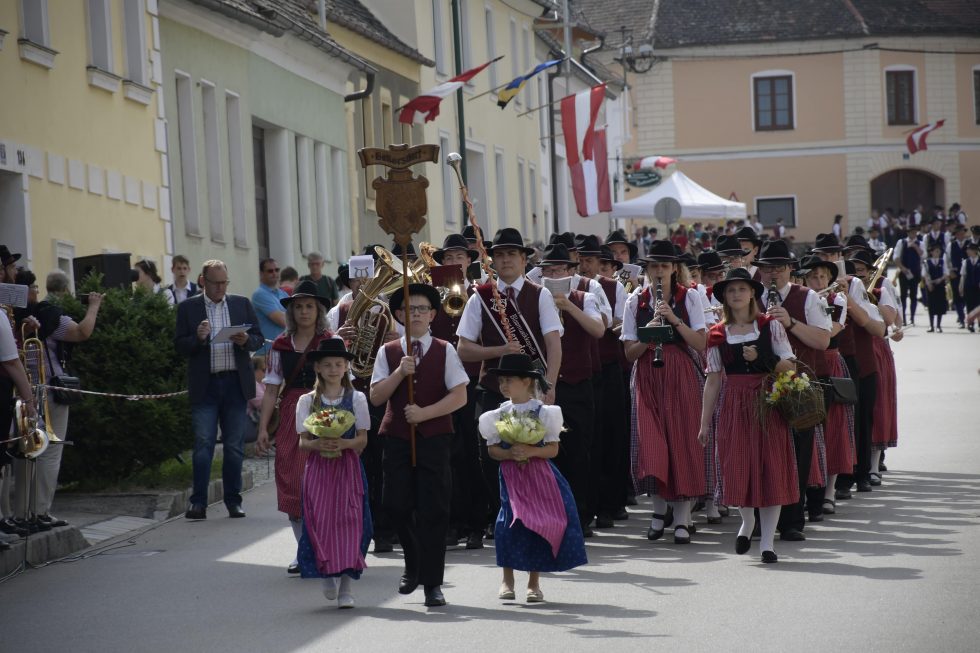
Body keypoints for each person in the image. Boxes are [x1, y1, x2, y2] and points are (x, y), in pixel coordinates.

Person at [456, 228, 563, 537]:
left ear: (523, 259)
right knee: (487, 452)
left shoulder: (539, 293)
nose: (505, 260)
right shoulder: (482, 296)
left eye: (511, 254)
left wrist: (550, 385)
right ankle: (499, 511)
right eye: (499, 255)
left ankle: (531, 513)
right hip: (492, 388)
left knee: (531, 452)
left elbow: (553, 344)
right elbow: (464, 347)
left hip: (531, 391)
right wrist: (500, 350)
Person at [370, 283, 468, 608]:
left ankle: (432, 584)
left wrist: (425, 413)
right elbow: (376, 396)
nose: (415, 314)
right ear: (398, 314)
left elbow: (460, 395)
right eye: (409, 309)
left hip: (435, 439)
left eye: (422, 309)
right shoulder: (388, 352)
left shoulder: (445, 349)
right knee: (395, 505)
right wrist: (400, 372)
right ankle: (413, 562)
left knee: (434, 510)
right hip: (397, 438)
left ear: (433, 315)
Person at [698, 268, 797, 563]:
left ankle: (767, 543)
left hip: (767, 401)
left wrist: (764, 359)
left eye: (742, 289)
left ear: (752, 293)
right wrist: (704, 422)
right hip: (734, 405)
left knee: (770, 470)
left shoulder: (770, 326)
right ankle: (747, 521)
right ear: (725, 297)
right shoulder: (717, 333)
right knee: (737, 465)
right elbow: (713, 379)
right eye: (731, 290)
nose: (737, 294)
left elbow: (791, 367)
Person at [478, 353, 587, 603]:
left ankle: (533, 583)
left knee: (537, 523)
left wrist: (531, 451)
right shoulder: (498, 414)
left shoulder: (544, 412)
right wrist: (507, 453)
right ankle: (507, 579)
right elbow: (492, 450)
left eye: (509, 380)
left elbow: (553, 449)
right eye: (501, 381)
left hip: (539, 476)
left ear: (527, 381)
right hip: (512, 477)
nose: (503, 386)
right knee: (508, 524)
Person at [621, 240, 707, 545]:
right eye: (654, 266)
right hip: (647, 374)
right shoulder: (635, 301)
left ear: (674, 269)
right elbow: (630, 353)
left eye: (665, 266)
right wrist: (650, 333)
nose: (659, 272)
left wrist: (673, 319)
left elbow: (699, 343)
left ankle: (683, 517)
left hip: (681, 372)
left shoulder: (690, 297)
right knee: (653, 445)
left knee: (682, 442)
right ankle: (659, 512)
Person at [8, 270, 102, 530]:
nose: (37, 291)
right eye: (33, 287)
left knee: (22, 454)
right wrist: (94, 306)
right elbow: (83, 332)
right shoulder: (47, 314)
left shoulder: (8, 317)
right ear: (26, 291)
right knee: (50, 452)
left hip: (16, 392)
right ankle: (40, 512)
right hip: (47, 390)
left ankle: (20, 513)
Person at [255, 279, 334, 573]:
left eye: (309, 306)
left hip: (324, 410)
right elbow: (272, 389)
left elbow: (341, 381)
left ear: (318, 310)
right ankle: (303, 549)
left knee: (321, 483)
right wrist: (264, 428)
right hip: (291, 414)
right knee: (292, 480)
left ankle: (321, 547)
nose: (303, 312)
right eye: (298, 307)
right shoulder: (280, 345)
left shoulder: (329, 341)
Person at [174, 260, 264, 519]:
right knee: (204, 443)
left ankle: (233, 500)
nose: (221, 288)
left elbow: (257, 338)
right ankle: (198, 502)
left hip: (235, 383)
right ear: (204, 281)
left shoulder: (241, 304)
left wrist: (247, 340)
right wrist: (198, 339)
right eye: (216, 283)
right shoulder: (188, 308)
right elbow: (180, 346)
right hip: (206, 385)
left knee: (234, 446)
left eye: (225, 282)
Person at [756, 240, 831, 539]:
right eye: (766, 268)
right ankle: (761, 523)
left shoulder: (807, 297)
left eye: (778, 267)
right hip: (758, 385)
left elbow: (823, 341)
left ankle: (790, 521)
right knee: (761, 454)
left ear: (789, 269)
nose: (772, 273)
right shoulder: (748, 296)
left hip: (798, 386)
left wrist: (792, 322)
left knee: (798, 453)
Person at [294, 338, 372, 608]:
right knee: (320, 520)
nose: (333, 369)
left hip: (347, 466)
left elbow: (362, 439)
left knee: (350, 521)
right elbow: (302, 442)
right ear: (317, 368)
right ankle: (326, 572)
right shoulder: (307, 401)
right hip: (318, 468)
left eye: (339, 364)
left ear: (346, 367)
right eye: (327, 365)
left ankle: (347, 585)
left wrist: (344, 443)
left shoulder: (357, 398)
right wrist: (318, 443)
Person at [537, 244, 605, 536]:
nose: (554, 274)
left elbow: (598, 330)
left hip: (578, 386)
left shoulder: (585, 296)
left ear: (569, 272)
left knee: (579, 452)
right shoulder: (536, 298)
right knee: (548, 453)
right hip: (547, 385)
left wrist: (569, 307)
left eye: (559, 269)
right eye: (549, 270)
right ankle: (551, 513)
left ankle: (579, 513)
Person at [429, 234, 486, 550]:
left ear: (468, 262)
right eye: (448, 259)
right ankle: (452, 522)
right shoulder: (432, 300)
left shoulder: (481, 295)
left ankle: (477, 523)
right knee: (448, 456)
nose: (453, 263)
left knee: (474, 454)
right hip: (443, 386)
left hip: (474, 380)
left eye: (458, 259)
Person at [795, 256, 854, 519]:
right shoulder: (802, 300)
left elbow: (829, 332)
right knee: (809, 430)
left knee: (833, 429)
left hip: (829, 365)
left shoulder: (837, 301)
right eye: (813, 278)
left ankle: (829, 492)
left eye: (822, 277)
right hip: (803, 365)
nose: (819, 282)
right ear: (804, 280)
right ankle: (808, 492)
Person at [252, 258, 288, 355]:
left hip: (283, 350)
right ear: (261, 274)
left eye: (277, 270)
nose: (274, 273)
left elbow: (295, 318)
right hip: (266, 353)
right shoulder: (260, 294)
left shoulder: (283, 294)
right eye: (270, 271)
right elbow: (283, 321)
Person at [892, 224, 923, 325]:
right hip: (904, 272)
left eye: (915, 232)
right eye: (911, 232)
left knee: (914, 296)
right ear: (908, 233)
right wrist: (902, 268)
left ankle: (912, 318)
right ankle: (903, 318)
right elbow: (895, 257)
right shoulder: (901, 242)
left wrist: (915, 246)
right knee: (903, 296)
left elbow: (924, 255)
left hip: (915, 272)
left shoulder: (920, 243)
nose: (913, 234)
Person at [922, 242, 949, 332]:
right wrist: (928, 284)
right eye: (936, 251)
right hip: (930, 285)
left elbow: (946, 273)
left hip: (940, 285)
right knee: (931, 305)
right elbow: (924, 274)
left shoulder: (942, 261)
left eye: (939, 251)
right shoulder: (927, 262)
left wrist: (940, 279)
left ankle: (938, 325)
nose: (938, 253)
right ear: (932, 252)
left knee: (939, 305)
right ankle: (931, 325)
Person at [960, 241, 980, 331]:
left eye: (969, 250)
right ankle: (970, 324)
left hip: (978, 287)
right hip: (968, 287)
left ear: (975, 251)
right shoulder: (965, 262)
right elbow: (963, 275)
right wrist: (961, 286)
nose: (967, 251)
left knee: (978, 305)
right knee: (969, 306)